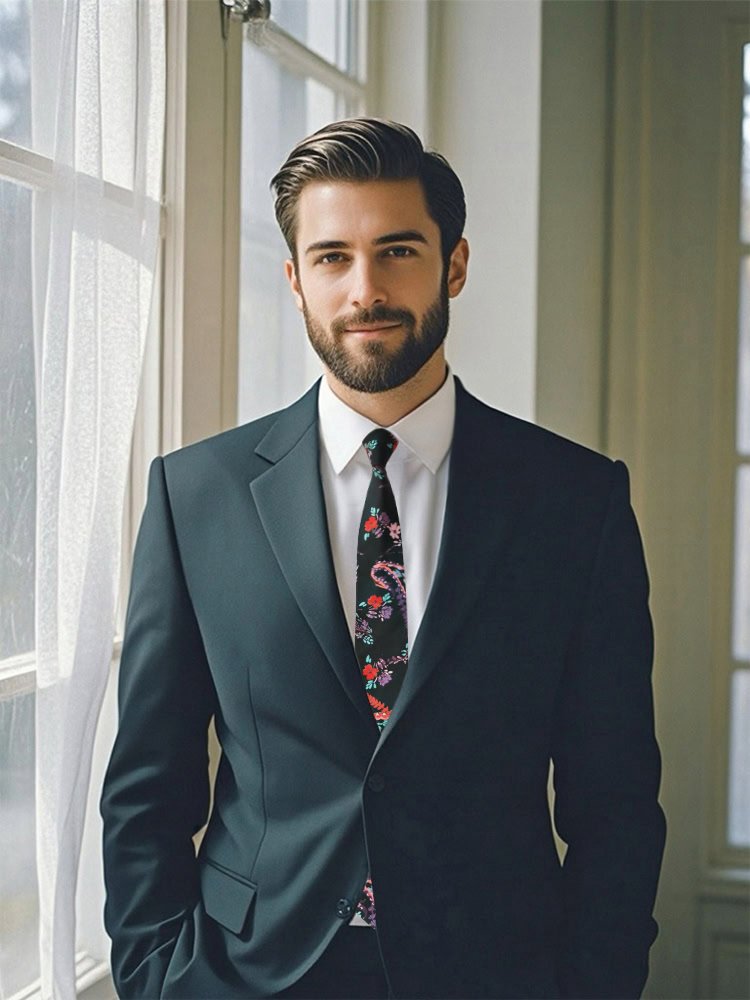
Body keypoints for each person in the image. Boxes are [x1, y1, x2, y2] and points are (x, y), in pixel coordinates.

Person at [100, 118, 666, 1000]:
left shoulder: (575, 503)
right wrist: (153, 977)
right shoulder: (194, 496)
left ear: (456, 264)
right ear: (294, 281)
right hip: (245, 974)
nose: (365, 289)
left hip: (498, 972)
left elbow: (617, 802)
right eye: (331, 257)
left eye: (398, 250)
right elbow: (146, 788)